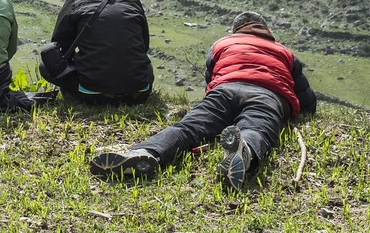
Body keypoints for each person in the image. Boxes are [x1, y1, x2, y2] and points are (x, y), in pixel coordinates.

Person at [89, 10, 317, 189]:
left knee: (188, 128)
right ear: (265, 30)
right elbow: (307, 99)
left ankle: (146, 152)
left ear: (236, 30)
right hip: (266, 96)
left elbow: (210, 77)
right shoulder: (284, 52)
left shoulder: (222, 44)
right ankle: (242, 151)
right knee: (257, 128)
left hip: (224, 90)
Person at [38, 0, 153, 104]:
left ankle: (74, 94)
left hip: (93, 94)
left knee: (46, 63)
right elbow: (144, 45)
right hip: (139, 93)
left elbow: (59, 47)